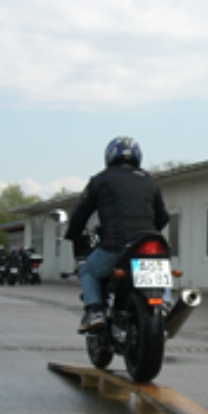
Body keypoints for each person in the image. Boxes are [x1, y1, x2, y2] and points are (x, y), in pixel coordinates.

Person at [66, 136, 170, 333]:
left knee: (88, 271)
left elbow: (81, 213)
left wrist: (73, 233)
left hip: (116, 243)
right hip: (148, 241)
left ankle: (95, 311)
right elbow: (163, 217)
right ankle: (164, 304)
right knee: (157, 266)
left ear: (110, 156)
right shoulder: (150, 181)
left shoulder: (100, 180)